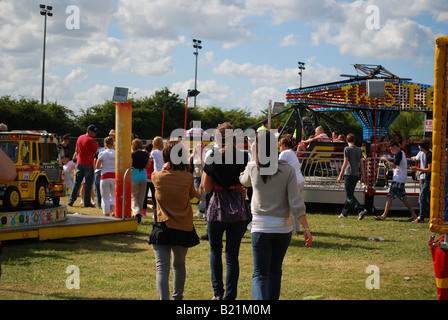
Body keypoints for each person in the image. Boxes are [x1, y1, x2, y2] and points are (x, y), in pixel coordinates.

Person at [239, 130, 312, 300]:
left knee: (260, 274)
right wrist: (306, 227)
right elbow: (296, 201)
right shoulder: (287, 170)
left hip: (260, 227)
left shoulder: (253, 167)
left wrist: (252, 157)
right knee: (274, 271)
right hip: (282, 228)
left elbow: (243, 181)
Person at [201, 122, 251, 300]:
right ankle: (230, 296)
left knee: (215, 251)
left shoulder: (211, 156)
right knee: (232, 256)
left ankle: (217, 294)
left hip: (216, 208)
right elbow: (246, 182)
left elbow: (206, 189)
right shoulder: (244, 156)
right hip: (238, 207)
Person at [149, 139, 200, 300]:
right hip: (183, 226)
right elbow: (193, 195)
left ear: (165, 157)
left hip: (162, 226)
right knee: (179, 265)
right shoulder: (188, 178)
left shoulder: (156, 177)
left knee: (162, 268)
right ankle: (177, 298)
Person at [374, 141, 418, 221]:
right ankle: (413, 214)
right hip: (400, 178)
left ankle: (384, 216)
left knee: (390, 196)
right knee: (403, 198)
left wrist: (385, 160)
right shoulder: (402, 153)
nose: (391, 151)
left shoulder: (399, 153)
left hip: (398, 178)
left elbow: (394, 165)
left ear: (395, 146)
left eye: (391, 149)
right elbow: (394, 166)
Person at [337, 134, 368, 220]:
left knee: (349, 195)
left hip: (348, 173)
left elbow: (345, 163)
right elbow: (361, 164)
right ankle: (344, 213)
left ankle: (360, 209)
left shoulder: (346, 149)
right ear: (354, 140)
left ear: (347, 141)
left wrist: (340, 175)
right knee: (350, 194)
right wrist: (363, 176)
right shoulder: (359, 150)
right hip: (355, 174)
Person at [278, 137, 305, 234]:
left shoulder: (284, 153)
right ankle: (296, 228)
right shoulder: (292, 153)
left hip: (293, 182)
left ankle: (292, 230)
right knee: (297, 205)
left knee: (291, 206)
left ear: (282, 145)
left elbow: (278, 167)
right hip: (300, 180)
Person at [68, 125, 99, 207]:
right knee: (88, 184)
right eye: (94, 132)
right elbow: (98, 151)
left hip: (79, 163)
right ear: (89, 131)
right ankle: (87, 202)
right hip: (89, 164)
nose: (95, 134)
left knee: (77, 182)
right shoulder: (91, 141)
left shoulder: (80, 138)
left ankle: (71, 200)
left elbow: (76, 150)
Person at [411, 139, 432, 223]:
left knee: (422, 197)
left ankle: (421, 217)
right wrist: (422, 170)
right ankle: (429, 216)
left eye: (419, 145)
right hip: (427, 178)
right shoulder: (428, 154)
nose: (418, 147)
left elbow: (430, 169)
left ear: (422, 147)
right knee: (427, 198)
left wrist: (417, 169)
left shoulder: (429, 155)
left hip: (428, 179)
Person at [131, 138, 150, 222]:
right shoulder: (146, 154)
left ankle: (136, 211)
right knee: (141, 196)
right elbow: (148, 165)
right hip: (143, 175)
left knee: (133, 196)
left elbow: (130, 164)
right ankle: (139, 213)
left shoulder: (132, 154)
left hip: (134, 175)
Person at [97, 136, 116, 216]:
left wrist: (103, 167)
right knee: (113, 196)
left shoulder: (102, 153)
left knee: (105, 197)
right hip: (114, 176)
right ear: (113, 144)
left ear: (105, 144)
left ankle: (106, 213)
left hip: (105, 176)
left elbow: (97, 166)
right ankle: (114, 211)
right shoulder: (116, 153)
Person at [190, 142, 207, 218]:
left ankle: (202, 211)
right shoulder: (193, 156)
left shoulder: (206, 155)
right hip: (196, 177)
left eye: (203, 146)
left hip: (205, 176)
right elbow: (190, 166)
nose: (202, 148)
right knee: (198, 194)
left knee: (204, 194)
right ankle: (202, 211)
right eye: (200, 146)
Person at [143, 142, 155, 217]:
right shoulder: (155, 155)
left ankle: (143, 212)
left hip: (145, 177)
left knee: (144, 196)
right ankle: (155, 212)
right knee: (154, 196)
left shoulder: (145, 155)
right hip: (153, 177)